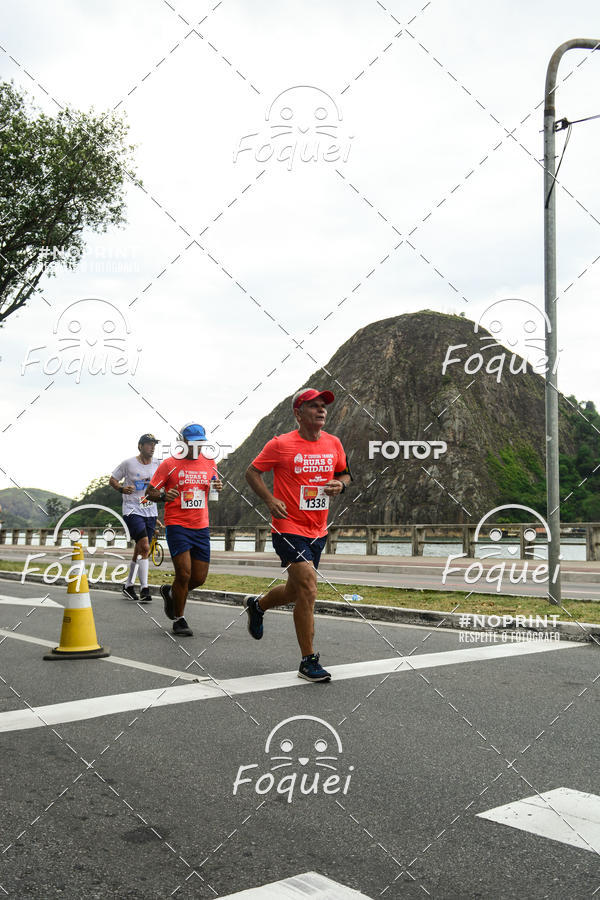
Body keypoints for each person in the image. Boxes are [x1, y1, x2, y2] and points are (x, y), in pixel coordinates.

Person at [245, 388, 351, 682]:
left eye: (323, 406)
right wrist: (269, 499)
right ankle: (308, 660)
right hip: (288, 527)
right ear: (298, 413)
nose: (321, 410)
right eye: (314, 406)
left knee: (296, 591)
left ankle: (258, 605)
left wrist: (340, 485)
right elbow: (252, 472)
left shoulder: (334, 443)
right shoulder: (280, 444)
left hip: (318, 530)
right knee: (308, 588)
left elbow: (345, 474)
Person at [146, 423, 222, 637]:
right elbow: (150, 492)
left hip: (201, 526)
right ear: (183, 442)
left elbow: (212, 486)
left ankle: (171, 593)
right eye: (193, 442)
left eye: (201, 442)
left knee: (198, 578)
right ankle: (179, 619)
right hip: (177, 525)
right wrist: (162, 496)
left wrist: (217, 487)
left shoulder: (209, 462)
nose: (197, 446)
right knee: (184, 573)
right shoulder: (169, 464)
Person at [110, 434, 160, 603]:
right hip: (132, 510)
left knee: (140, 549)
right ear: (140, 446)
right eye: (148, 444)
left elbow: (161, 488)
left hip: (150, 511)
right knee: (145, 546)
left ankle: (128, 585)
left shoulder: (158, 464)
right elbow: (113, 480)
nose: (152, 447)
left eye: (154, 444)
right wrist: (121, 489)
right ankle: (145, 588)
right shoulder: (128, 463)